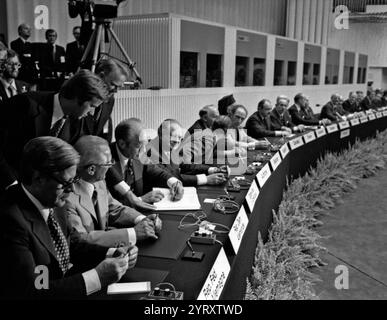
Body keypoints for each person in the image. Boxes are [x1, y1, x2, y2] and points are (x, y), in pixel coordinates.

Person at [0, 137, 138, 299]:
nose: (71, 189)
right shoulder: (9, 221)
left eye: (74, 181)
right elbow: (34, 289)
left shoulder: (53, 199)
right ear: (38, 179)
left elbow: (72, 243)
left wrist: (112, 253)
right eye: (66, 183)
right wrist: (97, 278)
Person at [0, 69, 108, 192]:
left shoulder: (79, 122)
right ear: (77, 97)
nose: (91, 113)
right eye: (91, 106)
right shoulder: (25, 105)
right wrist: (11, 184)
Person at [62, 135, 162, 248]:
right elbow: (81, 239)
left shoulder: (99, 182)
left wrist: (142, 219)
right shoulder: (66, 197)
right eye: (108, 163)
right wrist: (133, 233)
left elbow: (114, 208)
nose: (111, 167)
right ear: (91, 169)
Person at [106, 118, 184, 209]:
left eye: (145, 144)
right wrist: (141, 199)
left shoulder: (139, 154)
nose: (143, 150)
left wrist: (174, 182)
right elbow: (107, 205)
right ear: (122, 144)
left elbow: (156, 171)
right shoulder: (105, 161)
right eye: (139, 146)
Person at [147, 119, 227, 186]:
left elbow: (185, 165)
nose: (177, 141)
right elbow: (170, 176)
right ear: (161, 135)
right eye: (173, 137)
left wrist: (212, 169)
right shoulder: (151, 152)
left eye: (180, 138)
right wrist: (205, 179)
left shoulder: (169, 147)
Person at [81, 59, 128, 143]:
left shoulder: (110, 99)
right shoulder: (83, 96)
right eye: (113, 85)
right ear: (101, 76)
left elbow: (105, 130)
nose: (116, 91)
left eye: (119, 87)